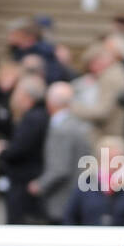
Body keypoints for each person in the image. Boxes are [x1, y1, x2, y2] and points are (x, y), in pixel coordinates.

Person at [27, 81, 92, 224]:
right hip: (76, 196)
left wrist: (39, 185)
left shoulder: (61, 129)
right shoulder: (77, 125)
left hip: (61, 200)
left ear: (49, 102)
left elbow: (60, 169)